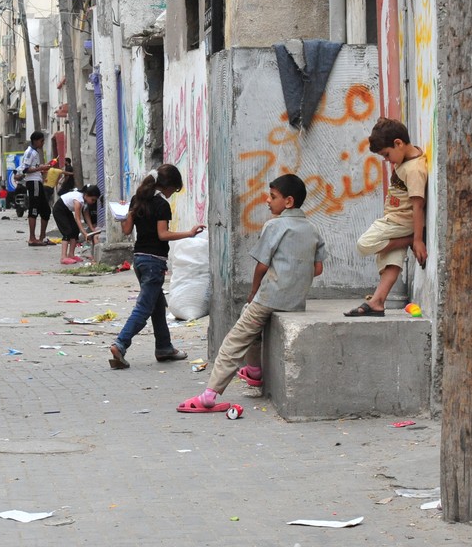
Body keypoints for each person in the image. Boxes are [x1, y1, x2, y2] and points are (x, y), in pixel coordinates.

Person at [177, 174, 326, 412]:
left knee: (234, 342)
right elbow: (317, 269)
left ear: (288, 201)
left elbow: (262, 266)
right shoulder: (313, 229)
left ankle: (209, 396)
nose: (267, 200)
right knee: (253, 327)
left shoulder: (274, 226)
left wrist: (253, 291)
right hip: (295, 301)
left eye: (273, 197)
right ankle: (254, 371)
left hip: (268, 298)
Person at [108, 164, 204, 370]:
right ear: (167, 185)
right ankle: (120, 344)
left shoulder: (137, 200)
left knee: (158, 306)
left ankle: (164, 347)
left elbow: (126, 230)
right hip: (154, 262)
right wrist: (189, 233)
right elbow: (163, 234)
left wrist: (124, 214)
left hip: (139, 260)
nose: (172, 194)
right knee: (144, 307)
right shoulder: (161, 205)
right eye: (174, 189)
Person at [345, 117, 427, 317]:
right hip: (397, 221)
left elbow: (418, 205)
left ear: (399, 143)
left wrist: (416, 240)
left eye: (387, 155)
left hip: (400, 222)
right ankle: (377, 302)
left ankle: (407, 240)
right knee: (391, 261)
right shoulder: (405, 159)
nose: (388, 160)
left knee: (364, 244)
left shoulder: (414, 169)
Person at [19, 131, 54, 245]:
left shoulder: (35, 152)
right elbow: (25, 169)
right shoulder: (30, 153)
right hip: (33, 182)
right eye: (41, 141)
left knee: (46, 210)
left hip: (37, 181)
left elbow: (33, 167)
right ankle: (32, 238)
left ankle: (42, 237)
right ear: (35, 141)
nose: (43, 143)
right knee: (33, 209)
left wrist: (41, 168)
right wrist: (40, 168)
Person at [53, 185, 101, 264]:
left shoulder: (85, 202)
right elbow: (77, 219)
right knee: (67, 232)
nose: (93, 202)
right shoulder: (78, 201)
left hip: (67, 210)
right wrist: (84, 233)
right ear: (86, 195)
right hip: (59, 210)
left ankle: (71, 254)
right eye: (92, 199)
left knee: (75, 231)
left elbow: (86, 215)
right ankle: (63, 257)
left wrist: (92, 228)